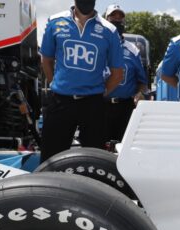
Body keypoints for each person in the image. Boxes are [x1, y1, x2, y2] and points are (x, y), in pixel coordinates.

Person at [39, 0, 124, 162]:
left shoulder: (109, 30)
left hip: (93, 104)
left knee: (94, 160)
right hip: (60, 101)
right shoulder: (55, 21)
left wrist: (100, 93)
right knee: (50, 158)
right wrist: (55, 84)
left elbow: (117, 73)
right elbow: (46, 58)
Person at [103, 4, 148, 143]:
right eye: (113, 17)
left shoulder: (133, 49)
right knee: (96, 148)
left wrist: (140, 93)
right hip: (100, 106)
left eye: (120, 18)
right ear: (105, 20)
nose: (117, 20)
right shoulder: (97, 44)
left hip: (125, 108)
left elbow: (142, 81)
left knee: (124, 149)